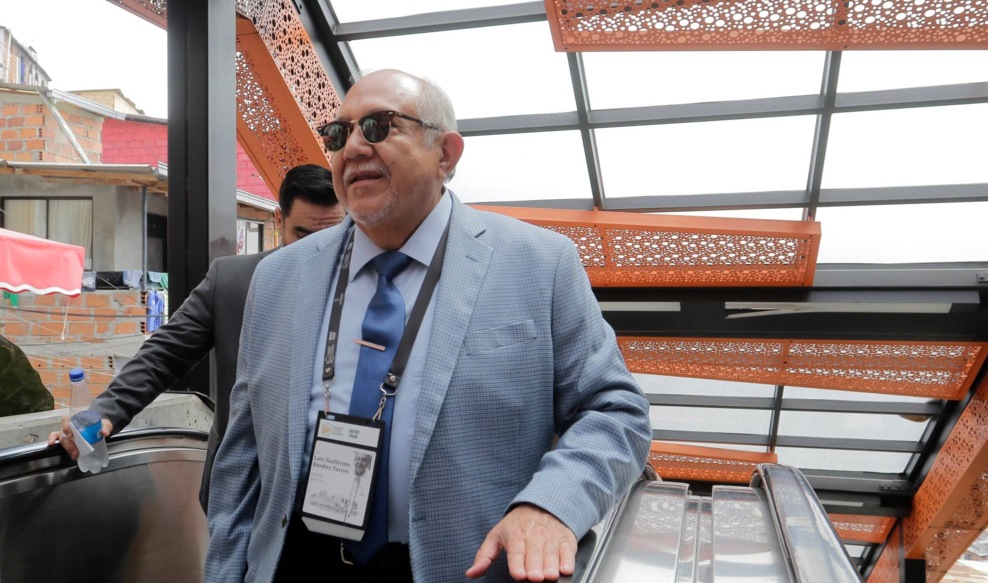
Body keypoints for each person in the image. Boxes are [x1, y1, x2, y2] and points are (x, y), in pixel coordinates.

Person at [206, 70, 651, 583]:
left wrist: (550, 504)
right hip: (297, 561)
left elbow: (616, 412)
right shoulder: (279, 277)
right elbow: (243, 452)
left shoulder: (539, 264)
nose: (353, 147)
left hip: (462, 566)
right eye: (339, 133)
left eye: (378, 126)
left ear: (446, 154)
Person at [48, 164, 346, 511]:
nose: (316, 252)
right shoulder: (232, 281)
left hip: (334, 493)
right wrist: (102, 413)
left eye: (330, 238)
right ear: (279, 221)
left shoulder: (372, 288)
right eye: (303, 236)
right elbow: (163, 355)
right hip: (245, 496)